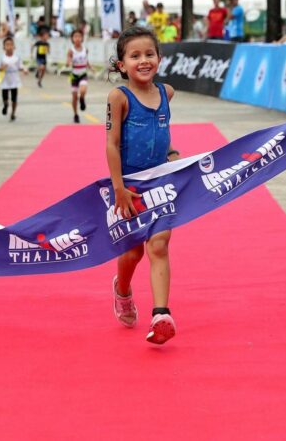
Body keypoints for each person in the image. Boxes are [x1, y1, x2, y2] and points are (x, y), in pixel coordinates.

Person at [105, 25, 179, 345]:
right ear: (122, 65)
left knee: (159, 244)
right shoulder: (118, 97)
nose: (143, 60)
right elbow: (112, 143)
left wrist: (174, 154)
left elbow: (162, 132)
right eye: (135, 56)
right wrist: (119, 187)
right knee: (134, 251)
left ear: (159, 59)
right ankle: (122, 290)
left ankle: (161, 314)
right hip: (130, 186)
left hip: (162, 181)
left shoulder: (167, 93)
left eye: (149, 54)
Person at [0, 36, 27, 121]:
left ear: (14, 47)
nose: (9, 46)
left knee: (14, 98)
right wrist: (2, 67)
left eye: (11, 45)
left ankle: (13, 113)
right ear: (4, 47)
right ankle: (5, 105)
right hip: (5, 78)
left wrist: (24, 70)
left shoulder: (17, 57)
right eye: (7, 45)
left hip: (14, 78)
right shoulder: (2, 57)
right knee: (5, 96)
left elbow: (20, 66)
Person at [66, 29, 91, 123]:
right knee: (74, 96)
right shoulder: (71, 50)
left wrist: (90, 67)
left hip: (83, 73)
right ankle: (76, 114)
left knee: (83, 90)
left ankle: (82, 99)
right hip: (74, 75)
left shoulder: (85, 49)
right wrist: (68, 62)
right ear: (72, 39)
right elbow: (68, 59)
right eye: (75, 36)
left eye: (79, 36)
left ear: (82, 38)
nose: (77, 38)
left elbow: (86, 60)